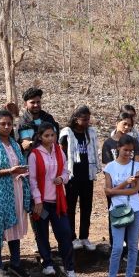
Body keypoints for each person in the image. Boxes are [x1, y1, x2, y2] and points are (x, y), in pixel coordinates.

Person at [28, 122, 79, 277]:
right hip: (41, 202)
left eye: (53, 135)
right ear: (40, 137)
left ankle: (69, 268)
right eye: (46, 136)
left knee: (64, 233)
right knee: (42, 234)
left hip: (58, 201)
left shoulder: (59, 151)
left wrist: (62, 179)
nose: (50, 139)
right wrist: (37, 200)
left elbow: (66, 170)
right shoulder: (34, 154)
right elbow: (32, 180)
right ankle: (47, 263)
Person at [0, 109, 32, 277]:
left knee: (15, 227)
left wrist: (21, 172)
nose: (6, 127)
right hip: (1, 192)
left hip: (17, 189)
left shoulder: (14, 144)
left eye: (9, 124)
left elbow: (20, 165)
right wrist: (9, 171)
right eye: (2, 124)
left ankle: (15, 263)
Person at [103, 135, 139, 277]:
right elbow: (107, 191)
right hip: (118, 210)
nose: (128, 153)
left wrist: (114, 190)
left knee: (133, 246)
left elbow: (134, 190)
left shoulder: (137, 166)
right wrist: (124, 183)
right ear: (118, 148)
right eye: (125, 150)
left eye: (131, 151)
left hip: (135, 208)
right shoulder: (110, 167)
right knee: (118, 247)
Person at [60, 105, 99, 251]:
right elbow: (62, 153)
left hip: (87, 175)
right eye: (84, 119)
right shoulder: (67, 133)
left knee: (86, 206)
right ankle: (72, 237)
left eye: (88, 119)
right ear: (76, 119)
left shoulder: (91, 133)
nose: (87, 122)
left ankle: (84, 237)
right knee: (70, 207)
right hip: (72, 176)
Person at [17, 87, 58, 152]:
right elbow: (26, 145)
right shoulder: (23, 123)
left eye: (38, 102)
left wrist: (34, 143)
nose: (36, 105)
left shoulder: (48, 118)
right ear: (25, 104)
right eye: (32, 102)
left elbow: (54, 139)